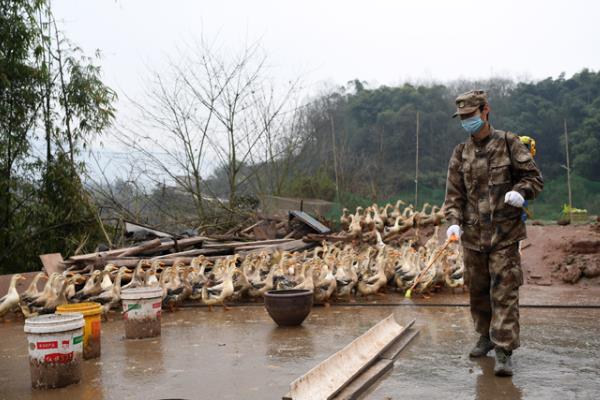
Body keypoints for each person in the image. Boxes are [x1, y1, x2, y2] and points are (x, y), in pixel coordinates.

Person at [443, 90, 543, 376]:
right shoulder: (460, 152)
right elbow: (453, 195)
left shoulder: (509, 143)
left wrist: (520, 192)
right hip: (473, 238)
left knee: (504, 293)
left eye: (470, 116)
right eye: (462, 118)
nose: (466, 122)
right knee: (478, 292)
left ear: (485, 111)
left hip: (504, 235)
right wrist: (453, 221)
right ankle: (485, 337)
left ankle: (503, 349)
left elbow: (534, 178)